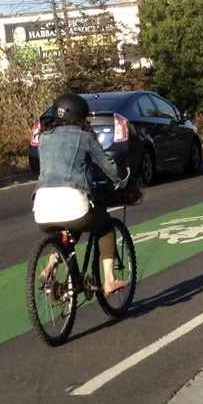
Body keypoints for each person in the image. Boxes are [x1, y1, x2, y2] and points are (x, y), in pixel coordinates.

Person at [32, 93, 130, 295]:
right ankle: (110, 280)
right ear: (80, 116)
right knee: (104, 225)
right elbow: (108, 166)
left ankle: (50, 267)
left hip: (41, 209)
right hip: (74, 203)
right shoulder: (84, 137)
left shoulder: (43, 138)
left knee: (64, 233)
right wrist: (121, 180)